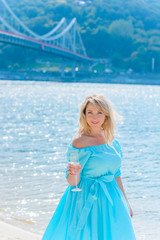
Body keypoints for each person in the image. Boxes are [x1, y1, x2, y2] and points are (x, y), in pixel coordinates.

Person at [42, 94, 136, 240]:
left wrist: (126, 201)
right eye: (90, 112)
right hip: (85, 198)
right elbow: (72, 182)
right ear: (84, 115)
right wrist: (74, 173)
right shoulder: (80, 141)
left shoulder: (112, 140)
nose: (95, 117)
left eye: (99, 112)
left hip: (111, 197)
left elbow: (116, 174)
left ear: (106, 115)